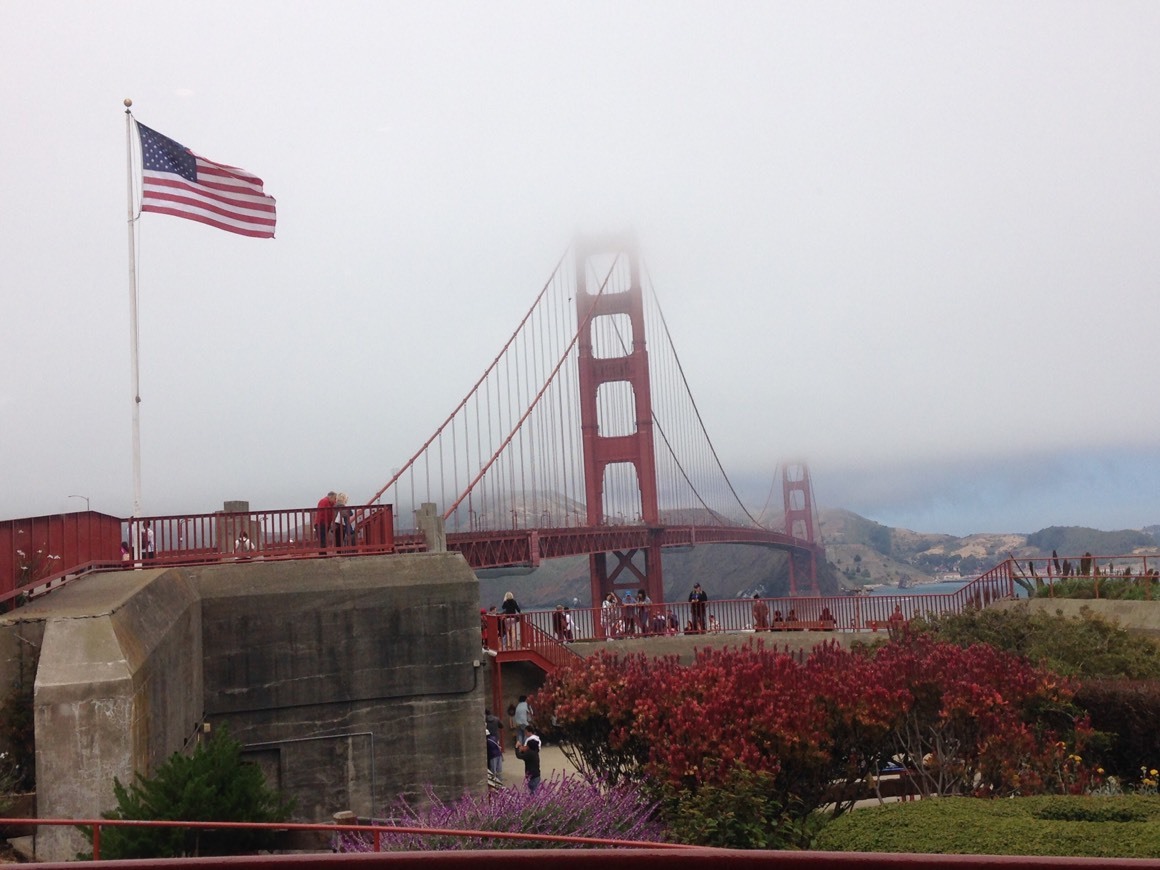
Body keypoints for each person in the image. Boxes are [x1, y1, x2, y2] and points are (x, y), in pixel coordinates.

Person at [515, 726, 542, 794]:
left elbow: (519, 756)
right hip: (536, 775)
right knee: (533, 791)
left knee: (533, 793)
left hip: (532, 776)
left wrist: (516, 748)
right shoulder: (535, 752)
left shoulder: (530, 754)